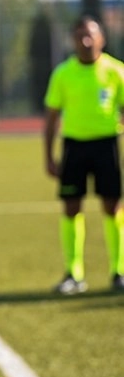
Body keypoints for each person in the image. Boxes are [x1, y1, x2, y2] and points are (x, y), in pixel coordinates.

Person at [43, 15, 124, 295]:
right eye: (80, 36)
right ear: (73, 40)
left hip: (107, 145)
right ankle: (73, 273)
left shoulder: (116, 71)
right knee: (71, 207)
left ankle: (118, 271)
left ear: (102, 38)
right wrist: (49, 155)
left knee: (113, 207)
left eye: (91, 35)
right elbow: (52, 117)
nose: (86, 40)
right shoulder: (63, 73)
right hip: (74, 147)